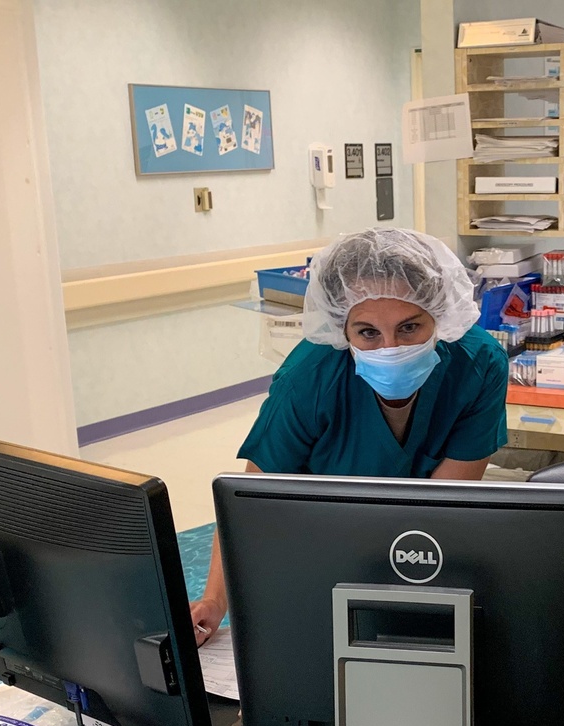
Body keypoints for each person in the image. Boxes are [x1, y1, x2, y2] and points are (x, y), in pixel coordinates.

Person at [190, 227, 509, 643]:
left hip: (425, 547)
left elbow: (446, 505)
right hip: (319, 549)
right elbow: (250, 501)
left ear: (440, 316)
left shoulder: (478, 364)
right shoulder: (310, 377)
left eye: (410, 327)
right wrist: (214, 601)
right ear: (342, 329)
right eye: (368, 333)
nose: (389, 348)